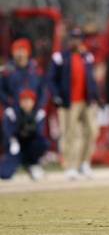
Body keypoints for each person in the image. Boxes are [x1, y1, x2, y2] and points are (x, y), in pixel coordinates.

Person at [47, 28, 99, 180]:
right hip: (68, 102)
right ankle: (70, 166)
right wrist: (56, 96)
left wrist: (96, 97)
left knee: (91, 131)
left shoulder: (86, 56)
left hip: (86, 100)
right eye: (72, 38)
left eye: (78, 38)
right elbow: (51, 79)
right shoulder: (59, 57)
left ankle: (84, 163)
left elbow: (90, 79)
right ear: (68, 40)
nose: (75, 41)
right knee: (71, 134)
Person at [0, 89, 48, 180]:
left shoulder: (38, 113)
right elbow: (8, 133)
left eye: (29, 100)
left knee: (42, 143)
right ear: (20, 102)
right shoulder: (12, 112)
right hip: (16, 146)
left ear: (33, 102)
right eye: (24, 100)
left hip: (30, 148)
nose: (26, 103)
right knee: (5, 174)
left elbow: (39, 133)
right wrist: (14, 140)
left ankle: (33, 164)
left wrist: (28, 131)